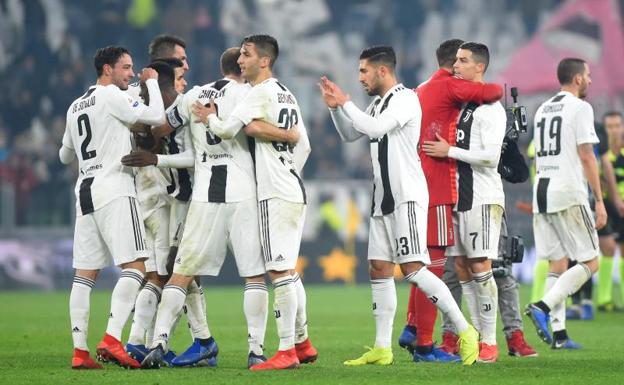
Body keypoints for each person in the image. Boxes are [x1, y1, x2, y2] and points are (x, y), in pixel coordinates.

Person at [320, 45, 479, 367]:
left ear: (382, 70)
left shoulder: (405, 98)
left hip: (406, 197)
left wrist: (347, 102)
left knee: (413, 270)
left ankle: (465, 330)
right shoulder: (378, 103)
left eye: (364, 70)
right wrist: (337, 108)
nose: (360, 77)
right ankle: (381, 348)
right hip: (383, 199)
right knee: (378, 268)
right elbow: (352, 134)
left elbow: (375, 129)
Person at [130, 47, 281, 369]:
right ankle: (256, 350)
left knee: (181, 274)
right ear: (242, 68)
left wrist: (144, 138)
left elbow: (161, 127)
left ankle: (158, 343)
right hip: (242, 193)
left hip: (203, 195)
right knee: (254, 276)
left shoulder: (194, 95)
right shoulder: (251, 94)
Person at [397, 38, 503, 362]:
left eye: (463, 61)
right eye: (455, 60)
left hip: (483, 196)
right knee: (459, 268)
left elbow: (491, 157)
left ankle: (489, 341)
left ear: (479, 66)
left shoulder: (491, 109)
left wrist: (449, 151)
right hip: (458, 196)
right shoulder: (462, 102)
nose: (455, 66)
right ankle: (458, 334)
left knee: (480, 266)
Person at [60, 46, 165, 369]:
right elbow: (156, 116)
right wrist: (152, 83)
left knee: (84, 275)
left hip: (85, 190)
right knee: (135, 266)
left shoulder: (76, 105)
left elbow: (65, 156)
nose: (132, 73)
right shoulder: (111, 97)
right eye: (126, 68)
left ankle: (80, 352)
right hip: (115, 188)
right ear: (107, 69)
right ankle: (112, 339)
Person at [525, 57, 606, 349]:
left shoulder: (543, 109)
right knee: (591, 261)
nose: (591, 80)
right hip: (567, 191)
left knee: (557, 264)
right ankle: (542, 307)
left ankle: (559, 335)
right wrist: (599, 199)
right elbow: (586, 155)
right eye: (588, 75)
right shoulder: (581, 108)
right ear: (578, 79)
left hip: (542, 191)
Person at [439, 137, 537, 358]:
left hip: (485, 203)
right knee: (452, 272)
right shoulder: (451, 117)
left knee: (500, 269)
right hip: (454, 202)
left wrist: (498, 166)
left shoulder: (497, 125)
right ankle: (451, 336)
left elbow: (520, 172)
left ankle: (514, 336)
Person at [594, 111, 624, 312]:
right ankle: (603, 298)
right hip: (606, 205)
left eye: (617, 126)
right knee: (608, 248)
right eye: (610, 126)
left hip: (621, 206)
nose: (613, 130)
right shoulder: (602, 154)